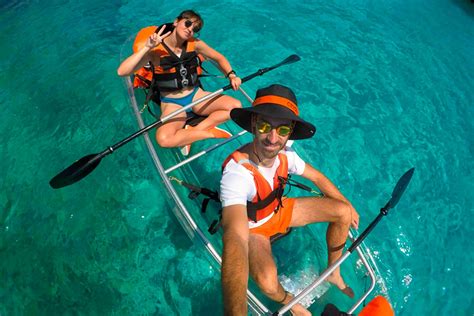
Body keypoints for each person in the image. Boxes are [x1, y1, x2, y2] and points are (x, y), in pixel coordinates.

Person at [219, 84, 360, 315]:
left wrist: (349, 205)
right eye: (265, 126)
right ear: (253, 124)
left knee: (342, 211)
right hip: (255, 229)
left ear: (290, 130)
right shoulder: (237, 173)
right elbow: (234, 237)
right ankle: (290, 301)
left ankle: (333, 272)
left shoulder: (286, 154)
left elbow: (317, 177)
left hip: (279, 210)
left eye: (282, 129)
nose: (273, 138)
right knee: (266, 281)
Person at [117, 10, 242, 155]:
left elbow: (219, 58)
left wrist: (231, 75)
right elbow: (122, 72)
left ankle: (193, 132)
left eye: (195, 29)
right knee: (163, 139)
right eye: (187, 23)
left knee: (235, 107)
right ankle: (207, 133)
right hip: (172, 103)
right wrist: (147, 47)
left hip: (196, 96)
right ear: (176, 22)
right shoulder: (155, 51)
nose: (190, 29)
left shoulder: (195, 44)